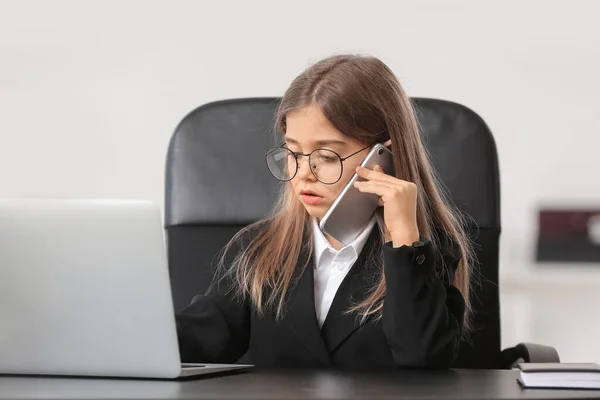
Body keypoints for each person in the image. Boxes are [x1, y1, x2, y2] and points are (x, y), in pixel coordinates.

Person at [176, 54, 473, 370]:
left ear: (383, 157)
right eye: (293, 153)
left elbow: (422, 359)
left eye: (327, 156)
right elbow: (198, 337)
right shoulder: (259, 251)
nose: (303, 172)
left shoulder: (424, 253)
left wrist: (403, 239)